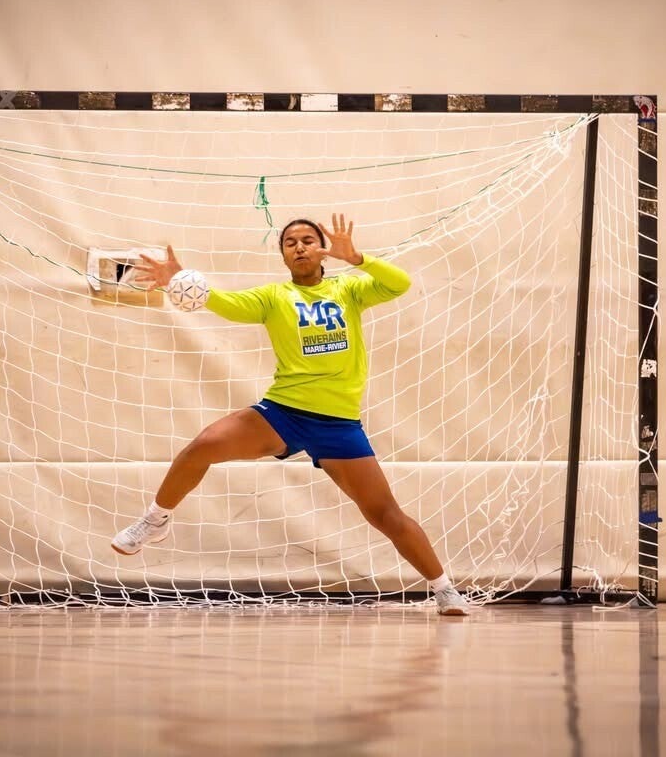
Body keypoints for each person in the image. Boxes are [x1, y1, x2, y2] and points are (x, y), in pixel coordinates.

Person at [111, 214, 469, 614]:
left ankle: (444, 590)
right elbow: (228, 305)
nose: (299, 247)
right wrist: (181, 281)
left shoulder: (350, 290)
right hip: (284, 413)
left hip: (337, 424)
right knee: (204, 445)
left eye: (308, 240)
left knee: (385, 514)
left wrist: (358, 259)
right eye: (290, 242)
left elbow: (399, 283)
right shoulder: (274, 297)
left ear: (322, 250)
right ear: (283, 256)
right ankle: (155, 520)